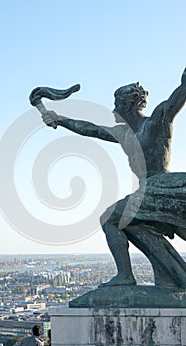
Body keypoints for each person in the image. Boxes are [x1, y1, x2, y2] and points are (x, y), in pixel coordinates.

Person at [42, 68, 186, 287]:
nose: (113, 110)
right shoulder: (124, 134)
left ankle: (125, 276)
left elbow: (179, 94)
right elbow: (90, 129)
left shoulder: (156, 121)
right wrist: (60, 119)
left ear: (127, 105)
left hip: (160, 186)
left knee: (110, 219)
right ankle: (173, 275)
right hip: (148, 189)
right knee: (131, 224)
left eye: (117, 104)